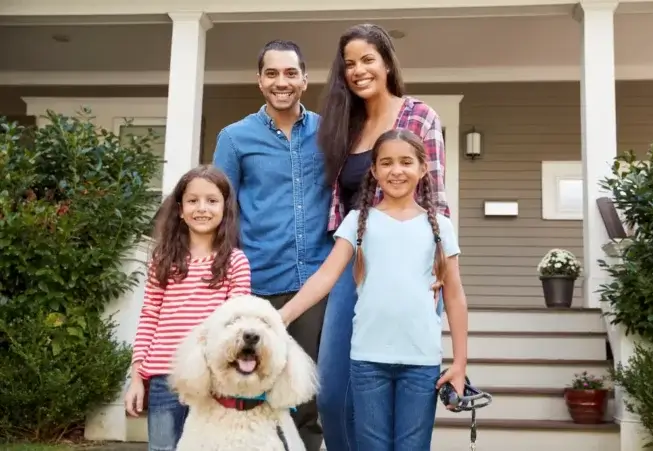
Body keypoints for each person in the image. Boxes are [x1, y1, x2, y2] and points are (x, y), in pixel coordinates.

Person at [280, 129, 468, 450]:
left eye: (406, 162)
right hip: (368, 360)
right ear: (374, 170)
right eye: (387, 163)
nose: (396, 170)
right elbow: (325, 277)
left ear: (423, 168)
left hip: (421, 361)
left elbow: (454, 295)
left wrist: (460, 363)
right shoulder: (357, 222)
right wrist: (281, 316)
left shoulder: (440, 226)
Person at [316, 23, 451, 450]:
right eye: (349, 64)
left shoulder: (420, 116)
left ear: (388, 63)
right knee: (334, 392)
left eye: (367, 59)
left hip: (408, 267)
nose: (358, 70)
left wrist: (441, 264)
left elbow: (437, 196)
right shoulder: (345, 126)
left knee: (397, 390)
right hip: (351, 262)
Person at [212, 39, 331, 451]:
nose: (282, 82)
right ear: (260, 81)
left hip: (316, 284)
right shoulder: (234, 137)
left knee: (308, 399)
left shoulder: (328, 131)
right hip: (257, 283)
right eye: (272, 73)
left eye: (290, 73)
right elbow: (221, 212)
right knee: (254, 393)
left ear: (305, 78)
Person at [124, 165, 252, 451]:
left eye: (211, 200)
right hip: (164, 378)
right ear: (180, 209)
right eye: (193, 200)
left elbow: (237, 326)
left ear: (225, 208)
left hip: (213, 381)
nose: (202, 208)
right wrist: (136, 378)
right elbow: (149, 317)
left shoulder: (236, 262)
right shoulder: (163, 260)